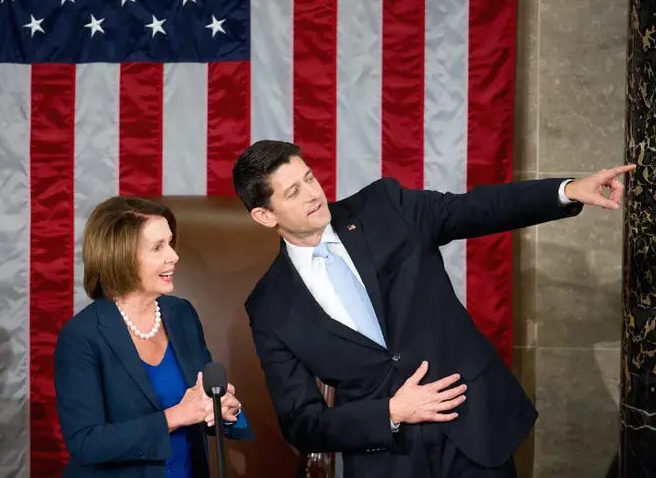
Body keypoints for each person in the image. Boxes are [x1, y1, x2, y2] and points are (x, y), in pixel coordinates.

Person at [232, 140, 634, 478]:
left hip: (473, 429)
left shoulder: (384, 208)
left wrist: (566, 190)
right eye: (293, 192)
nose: (313, 194)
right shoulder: (270, 307)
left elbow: (475, 208)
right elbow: (301, 421)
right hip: (389, 461)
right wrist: (389, 412)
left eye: (309, 178)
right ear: (264, 216)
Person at [55, 196, 252, 478]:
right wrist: (177, 415)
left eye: (170, 243)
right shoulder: (82, 336)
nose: (174, 256)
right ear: (120, 257)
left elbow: (200, 399)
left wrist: (221, 408)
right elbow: (87, 442)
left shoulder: (181, 314)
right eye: (158, 247)